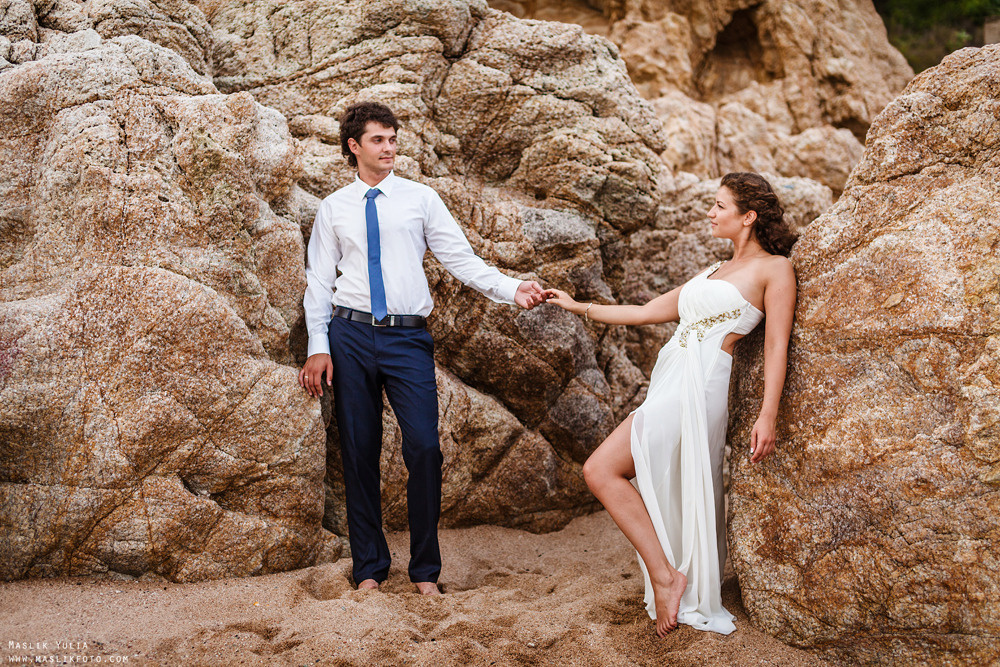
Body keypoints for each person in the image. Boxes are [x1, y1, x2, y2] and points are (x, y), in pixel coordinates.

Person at [299, 102, 546, 596]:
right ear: (355, 147)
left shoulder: (420, 199)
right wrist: (318, 346)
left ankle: (425, 571)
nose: (390, 149)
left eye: (393, 139)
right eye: (379, 140)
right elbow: (319, 283)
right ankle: (369, 567)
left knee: (425, 449)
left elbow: (461, 259)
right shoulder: (334, 207)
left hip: (407, 337)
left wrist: (511, 288)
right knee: (358, 452)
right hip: (348, 334)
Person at [544, 172, 797, 636]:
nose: (710, 213)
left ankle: (666, 577)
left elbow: (777, 345)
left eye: (720, 206)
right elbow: (642, 314)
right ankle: (669, 573)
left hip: (701, 386)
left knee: (600, 470)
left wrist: (768, 414)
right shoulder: (710, 273)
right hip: (672, 380)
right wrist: (576, 306)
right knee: (610, 471)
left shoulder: (775, 269)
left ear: (749, 216)